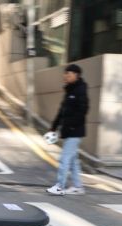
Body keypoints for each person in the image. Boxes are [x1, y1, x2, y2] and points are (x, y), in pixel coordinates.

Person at [46, 63, 89, 196]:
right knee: (73, 161)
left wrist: (70, 125)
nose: (65, 76)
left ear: (76, 75)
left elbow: (83, 110)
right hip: (69, 131)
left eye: (68, 74)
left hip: (74, 131)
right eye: (65, 73)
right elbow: (61, 111)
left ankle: (60, 186)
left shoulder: (80, 90)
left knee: (64, 158)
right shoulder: (69, 90)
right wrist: (54, 127)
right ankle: (78, 186)